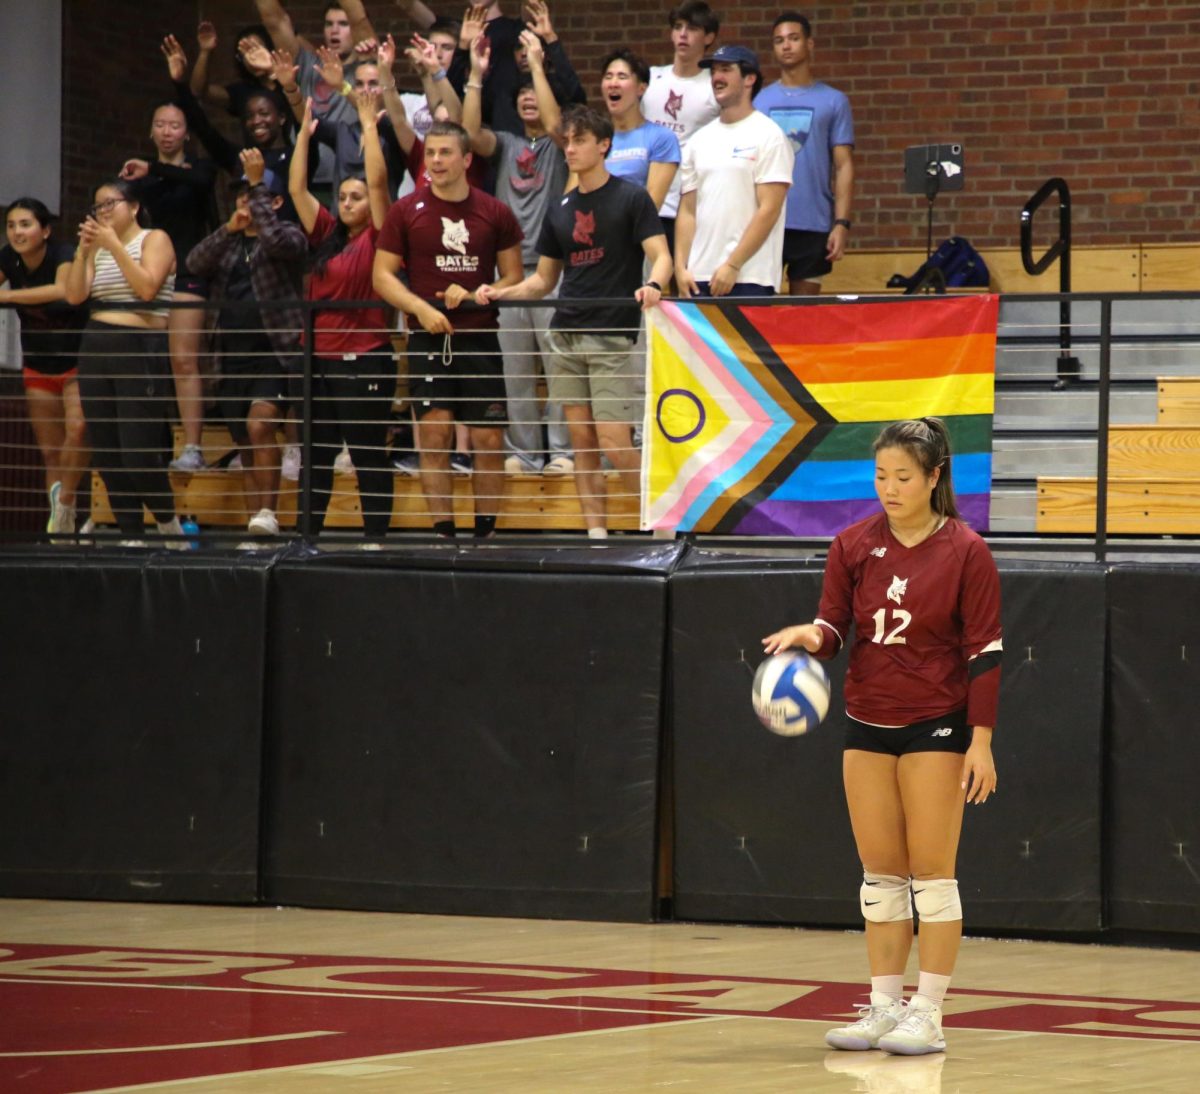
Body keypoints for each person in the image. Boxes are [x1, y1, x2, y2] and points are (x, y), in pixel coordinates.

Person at [762, 417, 1002, 1057]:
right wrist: (809, 639)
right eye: (880, 476)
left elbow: (985, 653)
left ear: (934, 477)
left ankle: (929, 1013)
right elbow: (834, 630)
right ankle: (885, 1005)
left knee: (932, 873)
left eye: (902, 476)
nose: (889, 488)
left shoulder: (965, 551)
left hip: (937, 724)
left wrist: (980, 741)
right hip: (867, 721)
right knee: (880, 876)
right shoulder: (851, 544)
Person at [478, 106, 672, 539]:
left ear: (603, 145)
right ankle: (596, 536)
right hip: (565, 334)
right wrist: (501, 292)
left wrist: (655, 284)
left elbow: (661, 255)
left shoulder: (631, 197)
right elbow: (543, 280)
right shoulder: (561, 208)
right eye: (567, 141)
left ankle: (661, 529)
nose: (570, 149)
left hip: (612, 336)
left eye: (580, 140)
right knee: (582, 442)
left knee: (615, 443)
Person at [372, 120, 524, 539]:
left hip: (480, 339)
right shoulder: (405, 210)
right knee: (435, 436)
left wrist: (480, 292)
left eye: (444, 153)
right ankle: (443, 534)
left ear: (466, 159)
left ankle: (486, 535)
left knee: (489, 442)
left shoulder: (494, 211)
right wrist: (420, 309)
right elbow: (382, 276)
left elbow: (513, 276)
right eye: (430, 154)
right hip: (427, 339)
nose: (435, 161)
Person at [463, 29, 572, 476]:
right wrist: (474, 74)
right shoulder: (507, 143)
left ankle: (562, 452)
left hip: (552, 270)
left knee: (559, 368)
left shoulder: (563, 144)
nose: (529, 99)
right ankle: (525, 453)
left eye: (535, 92)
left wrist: (537, 66)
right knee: (516, 371)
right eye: (522, 93)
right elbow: (469, 135)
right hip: (507, 272)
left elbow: (554, 123)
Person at [289, 90, 395, 541]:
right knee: (316, 455)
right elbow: (296, 188)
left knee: (368, 453)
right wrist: (304, 135)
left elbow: (378, 184)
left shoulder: (379, 235)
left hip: (363, 357)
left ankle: (375, 542)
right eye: (343, 196)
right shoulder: (328, 234)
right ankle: (305, 539)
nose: (349, 202)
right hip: (314, 360)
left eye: (356, 197)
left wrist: (368, 128)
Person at [186, 150, 307, 539]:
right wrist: (228, 229)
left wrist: (257, 185)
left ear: (274, 202)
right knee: (244, 439)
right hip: (229, 355)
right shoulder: (229, 243)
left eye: (254, 194)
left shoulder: (289, 235)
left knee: (260, 426)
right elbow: (194, 262)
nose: (245, 201)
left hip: (274, 352)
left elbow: (274, 240)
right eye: (240, 194)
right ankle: (256, 521)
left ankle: (269, 511)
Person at [63, 180, 184, 546]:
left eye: (110, 204)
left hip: (139, 344)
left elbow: (147, 289)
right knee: (109, 452)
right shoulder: (98, 249)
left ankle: (167, 524)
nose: (102, 212)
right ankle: (131, 536)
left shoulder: (154, 239)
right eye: (97, 207)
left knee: (137, 452)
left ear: (132, 207)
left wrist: (114, 246)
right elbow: (74, 296)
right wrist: (84, 252)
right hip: (97, 345)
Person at [119, 102, 219, 474]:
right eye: (159, 124)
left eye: (174, 125)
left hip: (188, 272)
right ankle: (148, 446)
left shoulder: (199, 169)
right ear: (150, 131)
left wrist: (154, 168)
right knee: (146, 364)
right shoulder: (138, 178)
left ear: (186, 132)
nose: (166, 131)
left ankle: (193, 447)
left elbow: (201, 184)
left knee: (183, 360)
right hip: (148, 274)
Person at [0, 198, 89, 535]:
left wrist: (8, 297)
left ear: (45, 230)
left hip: (75, 362)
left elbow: (65, 290)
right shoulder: (8, 258)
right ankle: (61, 532)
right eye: (11, 225)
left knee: (78, 431)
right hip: (37, 364)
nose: (17, 232)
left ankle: (67, 502)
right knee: (50, 452)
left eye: (25, 224)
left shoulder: (62, 253)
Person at [675, 44, 793, 298]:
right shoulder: (698, 140)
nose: (717, 77)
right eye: (714, 71)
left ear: (750, 79)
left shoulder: (769, 135)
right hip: (699, 276)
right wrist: (680, 267)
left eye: (726, 70)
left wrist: (733, 264)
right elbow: (687, 209)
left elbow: (769, 209)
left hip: (750, 276)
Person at [162, 34, 319, 224]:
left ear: (282, 118)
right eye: (250, 116)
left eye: (263, 113)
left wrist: (285, 82)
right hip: (247, 245)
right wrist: (179, 84)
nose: (256, 121)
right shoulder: (242, 157)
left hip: (286, 244)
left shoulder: (298, 156)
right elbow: (203, 129)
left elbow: (305, 125)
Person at [755, 11, 854, 295]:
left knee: (804, 318)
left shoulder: (834, 101)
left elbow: (844, 166)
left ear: (809, 44)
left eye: (793, 38)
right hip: (766, 220)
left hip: (813, 221)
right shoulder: (759, 101)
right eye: (778, 41)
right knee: (760, 318)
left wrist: (841, 223)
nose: (786, 46)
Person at [641, 1, 720, 251]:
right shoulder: (651, 77)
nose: (683, 34)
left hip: (692, 202)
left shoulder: (714, 85)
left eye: (693, 28)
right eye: (678, 27)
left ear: (708, 37)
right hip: (649, 198)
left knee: (685, 282)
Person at [600, 48, 681, 211]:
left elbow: (650, 206)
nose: (613, 83)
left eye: (622, 76)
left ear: (641, 88)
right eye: (608, 77)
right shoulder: (593, 137)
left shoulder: (661, 137)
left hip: (636, 231)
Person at [189, 20, 291, 120]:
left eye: (257, 50)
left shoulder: (291, 81)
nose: (253, 59)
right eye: (245, 54)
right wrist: (205, 51)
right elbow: (199, 91)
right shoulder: (243, 92)